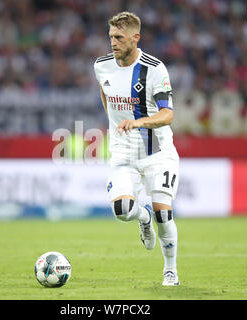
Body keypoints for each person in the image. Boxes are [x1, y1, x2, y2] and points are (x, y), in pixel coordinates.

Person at [93, 12, 180, 286]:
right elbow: (105, 93)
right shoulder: (101, 65)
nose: (113, 43)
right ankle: (142, 217)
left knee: (164, 214)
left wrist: (139, 122)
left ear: (135, 38)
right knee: (122, 211)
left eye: (119, 38)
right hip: (123, 153)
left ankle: (170, 271)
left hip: (157, 152)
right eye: (111, 37)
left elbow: (168, 114)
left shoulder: (155, 69)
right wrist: (115, 123)